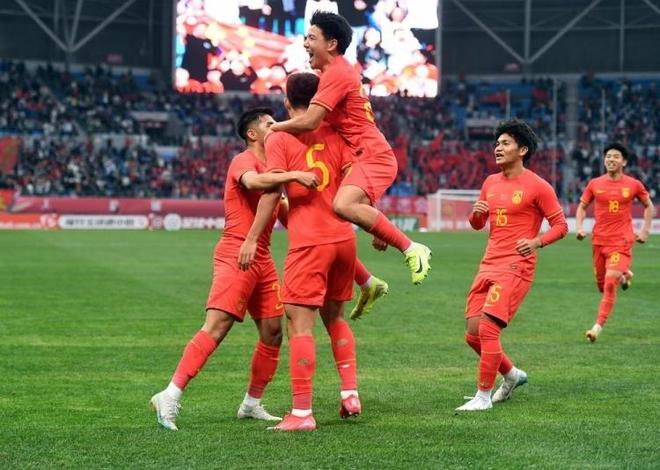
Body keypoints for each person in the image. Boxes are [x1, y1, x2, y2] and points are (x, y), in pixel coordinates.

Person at [149, 108, 318, 431]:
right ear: (252, 134)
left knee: (273, 331)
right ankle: (169, 394)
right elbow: (254, 182)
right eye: (269, 124)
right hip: (237, 251)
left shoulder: (275, 167)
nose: (277, 127)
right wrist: (294, 175)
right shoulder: (243, 161)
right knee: (218, 325)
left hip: (262, 258)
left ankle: (251, 404)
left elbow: (285, 210)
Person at [269, 10, 432, 285]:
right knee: (344, 204)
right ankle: (370, 281)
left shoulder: (337, 73)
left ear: (331, 44)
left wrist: (273, 128)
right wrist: (377, 226)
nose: (305, 43)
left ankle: (412, 248)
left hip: (372, 155)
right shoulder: (336, 73)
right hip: (363, 155)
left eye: (311, 38)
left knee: (342, 205)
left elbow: (309, 121)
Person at [238, 72, 361, 431]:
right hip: (344, 238)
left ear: (287, 101)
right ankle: (350, 392)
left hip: (310, 242)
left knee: (299, 326)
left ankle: (302, 413)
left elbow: (272, 192)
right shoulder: (337, 130)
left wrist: (252, 237)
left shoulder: (280, 135)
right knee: (336, 318)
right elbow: (358, 181)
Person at [456, 119, 568, 412]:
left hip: (516, 266)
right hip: (488, 263)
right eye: (497, 143)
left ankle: (483, 397)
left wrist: (536, 242)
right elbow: (478, 224)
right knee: (472, 333)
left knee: (488, 328)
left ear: (523, 150)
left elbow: (561, 226)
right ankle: (511, 374)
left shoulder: (538, 186)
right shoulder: (490, 182)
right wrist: (476, 215)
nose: (498, 148)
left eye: (505, 143)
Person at [575, 143, 653, 343]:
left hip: (621, 241)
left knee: (610, 283)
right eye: (608, 156)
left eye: (615, 156)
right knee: (602, 287)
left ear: (624, 162)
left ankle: (596, 328)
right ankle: (624, 275)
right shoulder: (595, 184)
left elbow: (648, 206)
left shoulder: (633, 184)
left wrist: (645, 231)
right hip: (599, 241)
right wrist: (580, 227)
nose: (611, 159)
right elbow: (582, 207)